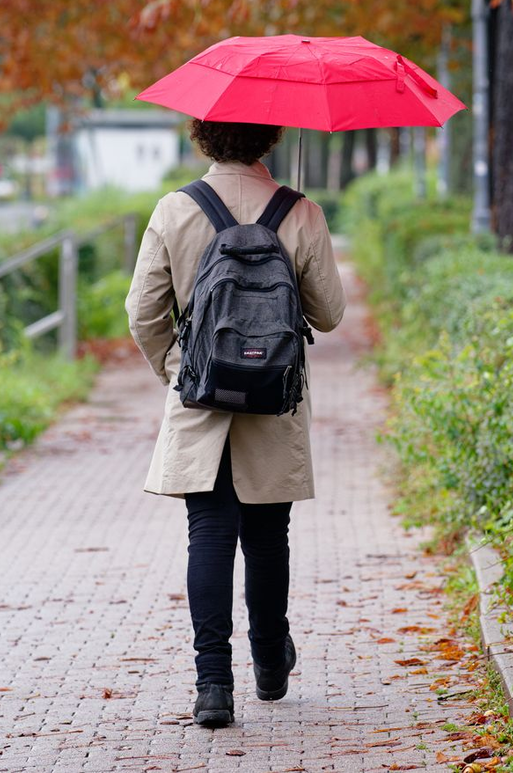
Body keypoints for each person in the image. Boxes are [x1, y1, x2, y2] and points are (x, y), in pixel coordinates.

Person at [126, 119, 346, 727]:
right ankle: (271, 662)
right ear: (270, 138)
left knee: (210, 534)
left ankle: (213, 684)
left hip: (202, 399)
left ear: (203, 137)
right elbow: (329, 314)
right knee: (268, 538)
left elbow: (143, 312)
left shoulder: (175, 210)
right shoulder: (299, 211)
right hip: (273, 398)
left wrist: (178, 367)